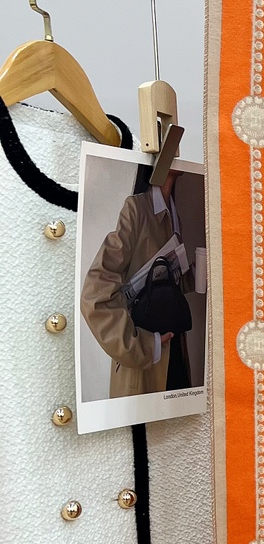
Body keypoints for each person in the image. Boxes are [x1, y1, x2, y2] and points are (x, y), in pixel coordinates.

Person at [81, 165, 193, 396]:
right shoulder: (137, 209)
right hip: (144, 365)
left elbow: (168, 288)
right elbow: (95, 295)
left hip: (176, 351)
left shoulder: (174, 216)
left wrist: (196, 275)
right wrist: (143, 346)